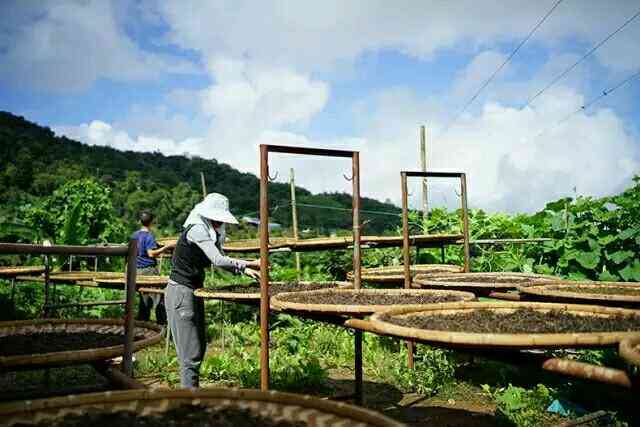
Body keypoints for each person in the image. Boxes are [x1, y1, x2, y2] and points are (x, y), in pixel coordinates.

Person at [166, 193, 260, 388]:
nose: (219, 223)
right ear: (207, 216)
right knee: (189, 355)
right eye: (216, 219)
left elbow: (221, 257)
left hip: (193, 290)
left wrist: (246, 270)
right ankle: (188, 402)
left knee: (199, 348)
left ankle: (193, 396)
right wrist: (250, 262)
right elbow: (217, 260)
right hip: (181, 293)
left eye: (220, 220)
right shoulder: (197, 230)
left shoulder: (210, 231)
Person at [132, 211, 175, 325]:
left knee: (144, 296)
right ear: (151, 222)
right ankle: (162, 322)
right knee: (159, 296)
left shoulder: (135, 235)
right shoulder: (149, 236)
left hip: (137, 269)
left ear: (139, 221)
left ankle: (143, 320)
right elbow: (151, 253)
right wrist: (166, 247)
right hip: (148, 269)